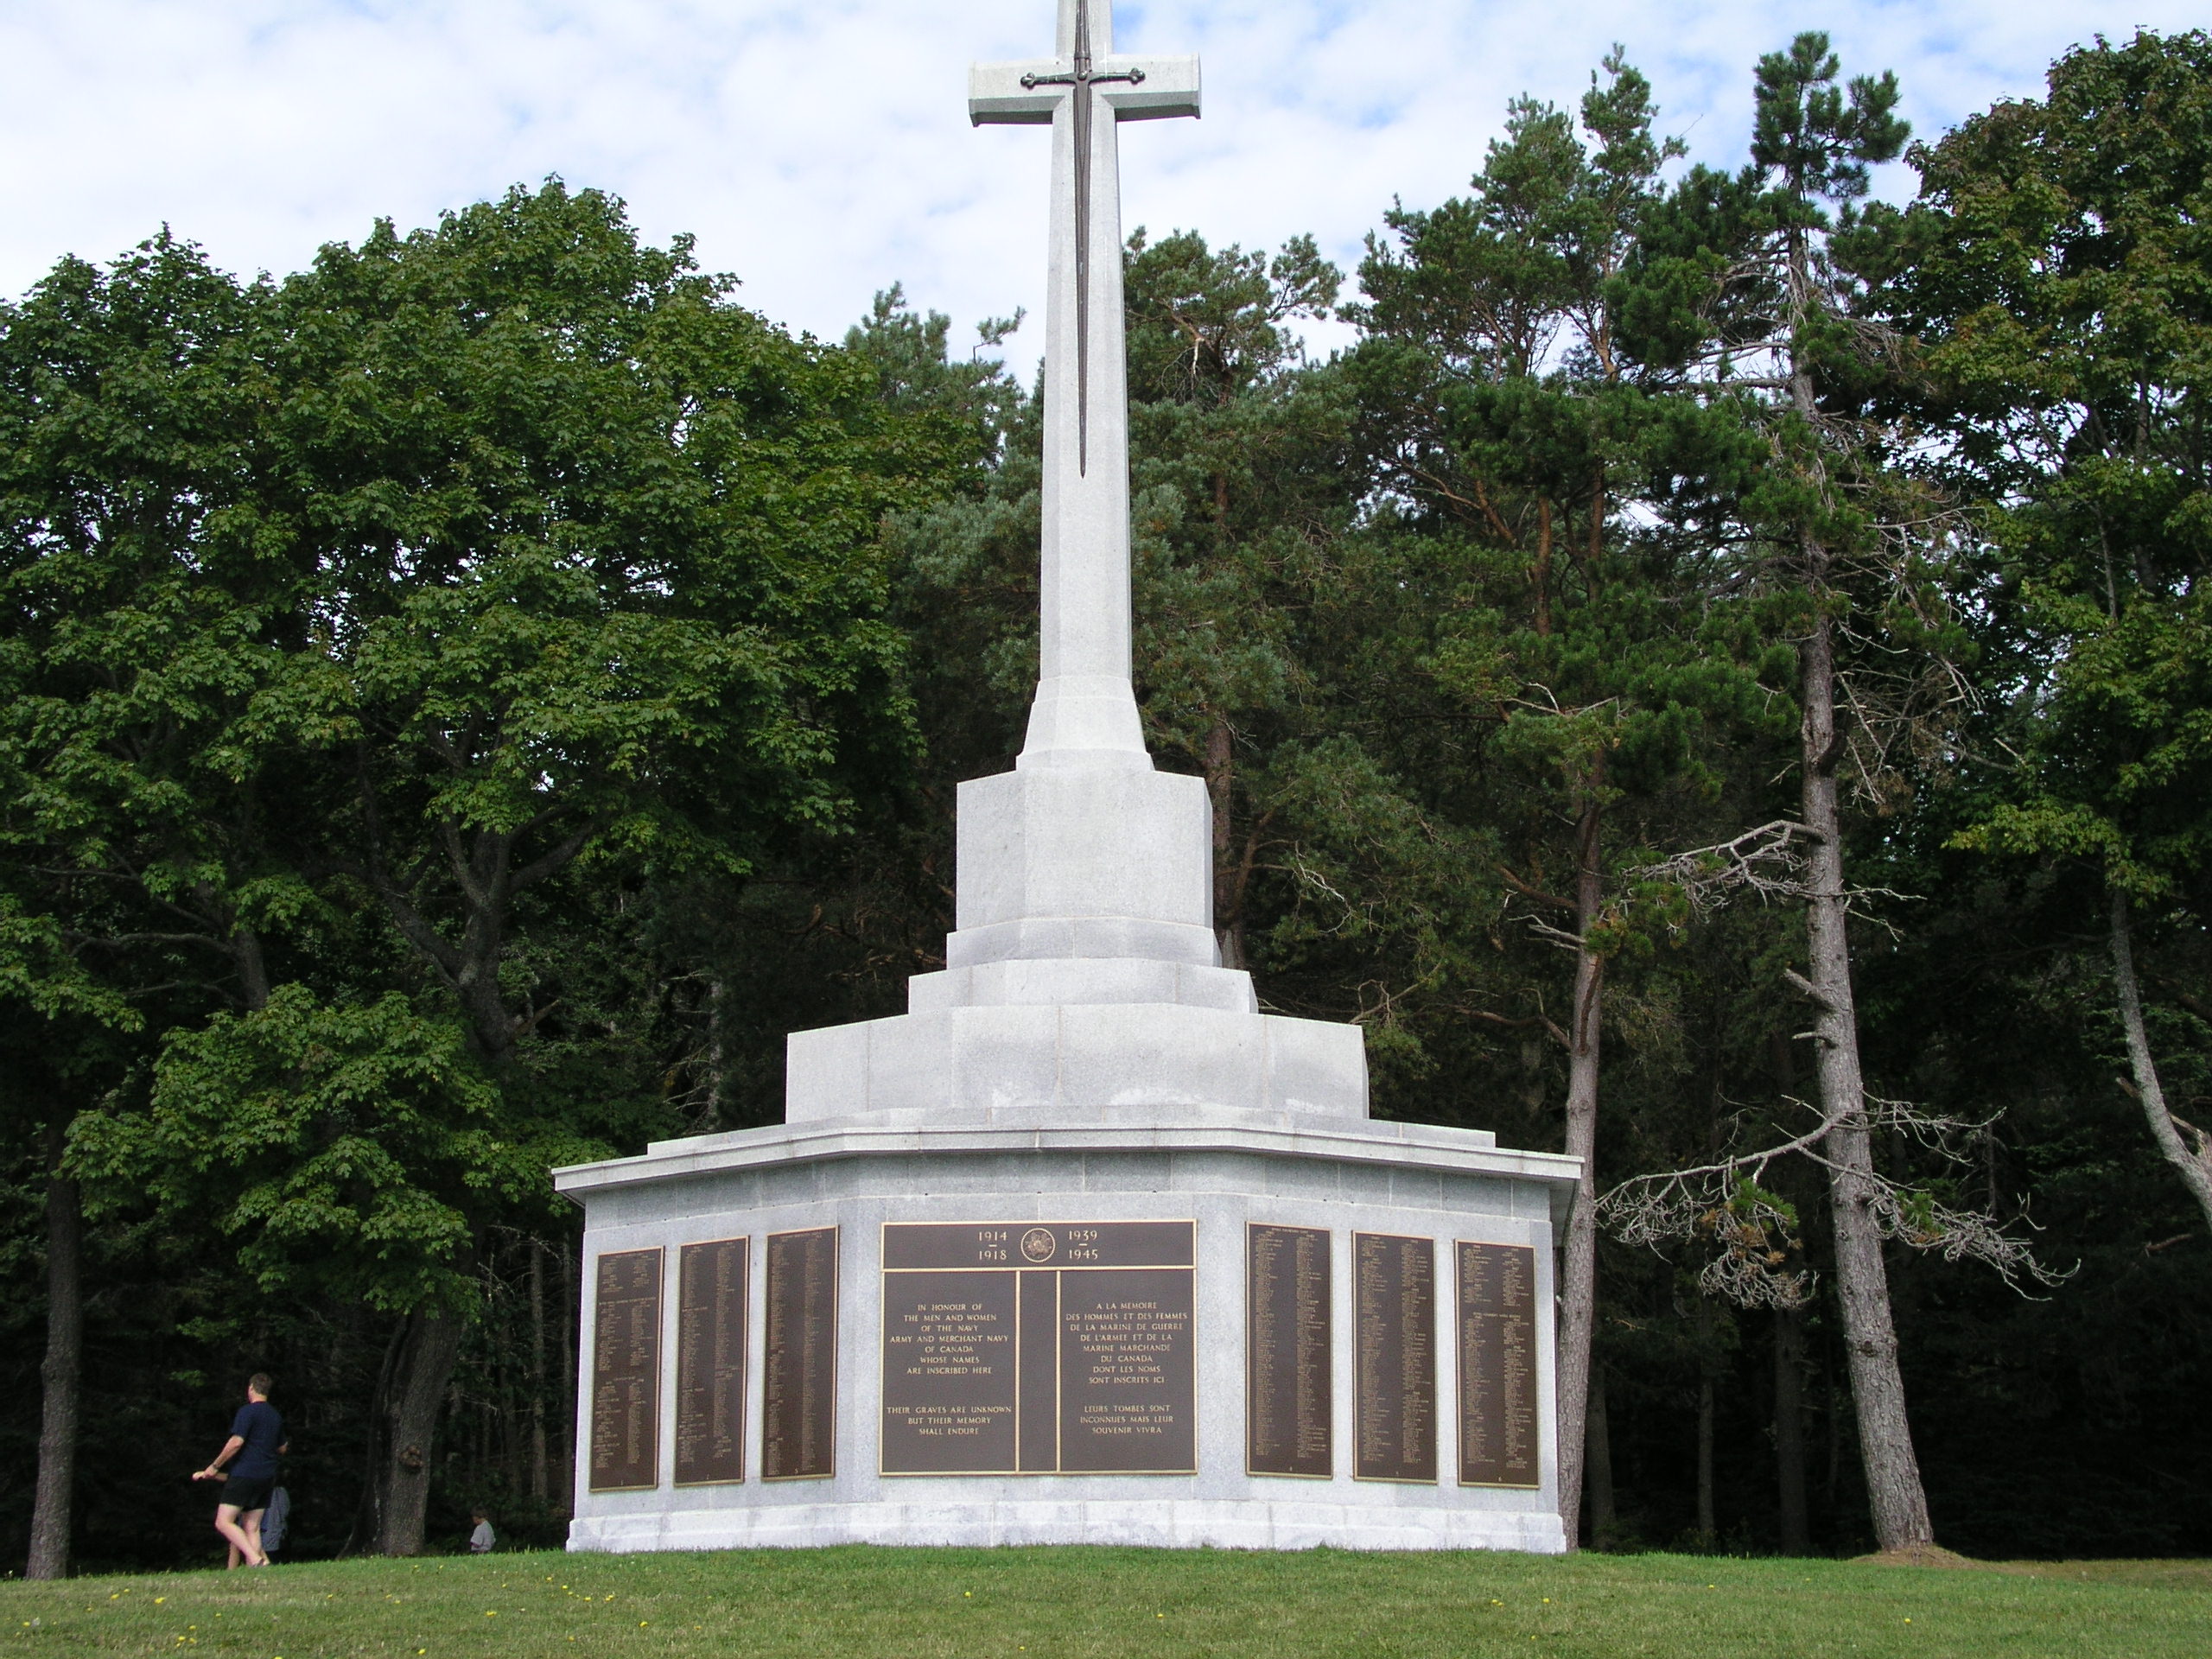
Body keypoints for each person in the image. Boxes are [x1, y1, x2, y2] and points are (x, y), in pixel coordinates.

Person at [192, 1374, 287, 1568]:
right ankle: (260, 1570)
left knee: (223, 1522)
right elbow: (283, 1448)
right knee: (252, 1527)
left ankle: (255, 1559)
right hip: (267, 1477)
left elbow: (236, 1442)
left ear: (251, 1388)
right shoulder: (275, 1416)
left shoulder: (247, 1412)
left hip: (245, 1474)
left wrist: (215, 1466)